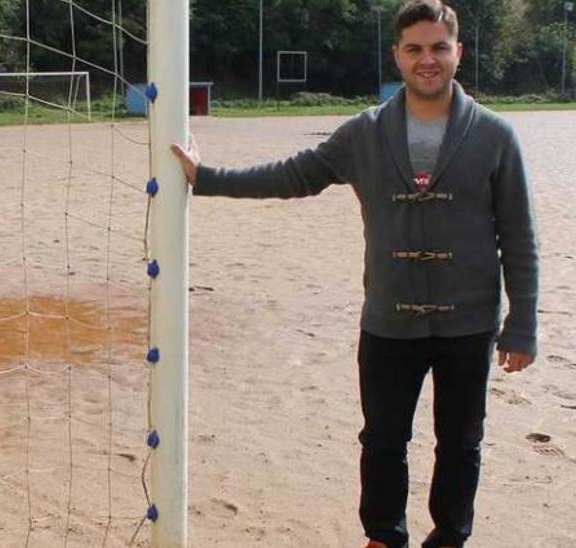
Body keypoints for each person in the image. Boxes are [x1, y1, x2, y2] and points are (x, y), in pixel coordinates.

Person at [169, 1, 539, 546]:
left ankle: (450, 535)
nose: (427, 59)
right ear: (397, 56)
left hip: (470, 322)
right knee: (383, 440)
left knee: (461, 441)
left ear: (458, 53)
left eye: (439, 47)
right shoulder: (365, 133)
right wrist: (207, 178)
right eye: (414, 48)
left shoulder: (495, 135)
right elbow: (295, 175)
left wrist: (522, 324)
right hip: (389, 320)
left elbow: (519, 236)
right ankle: (384, 536)